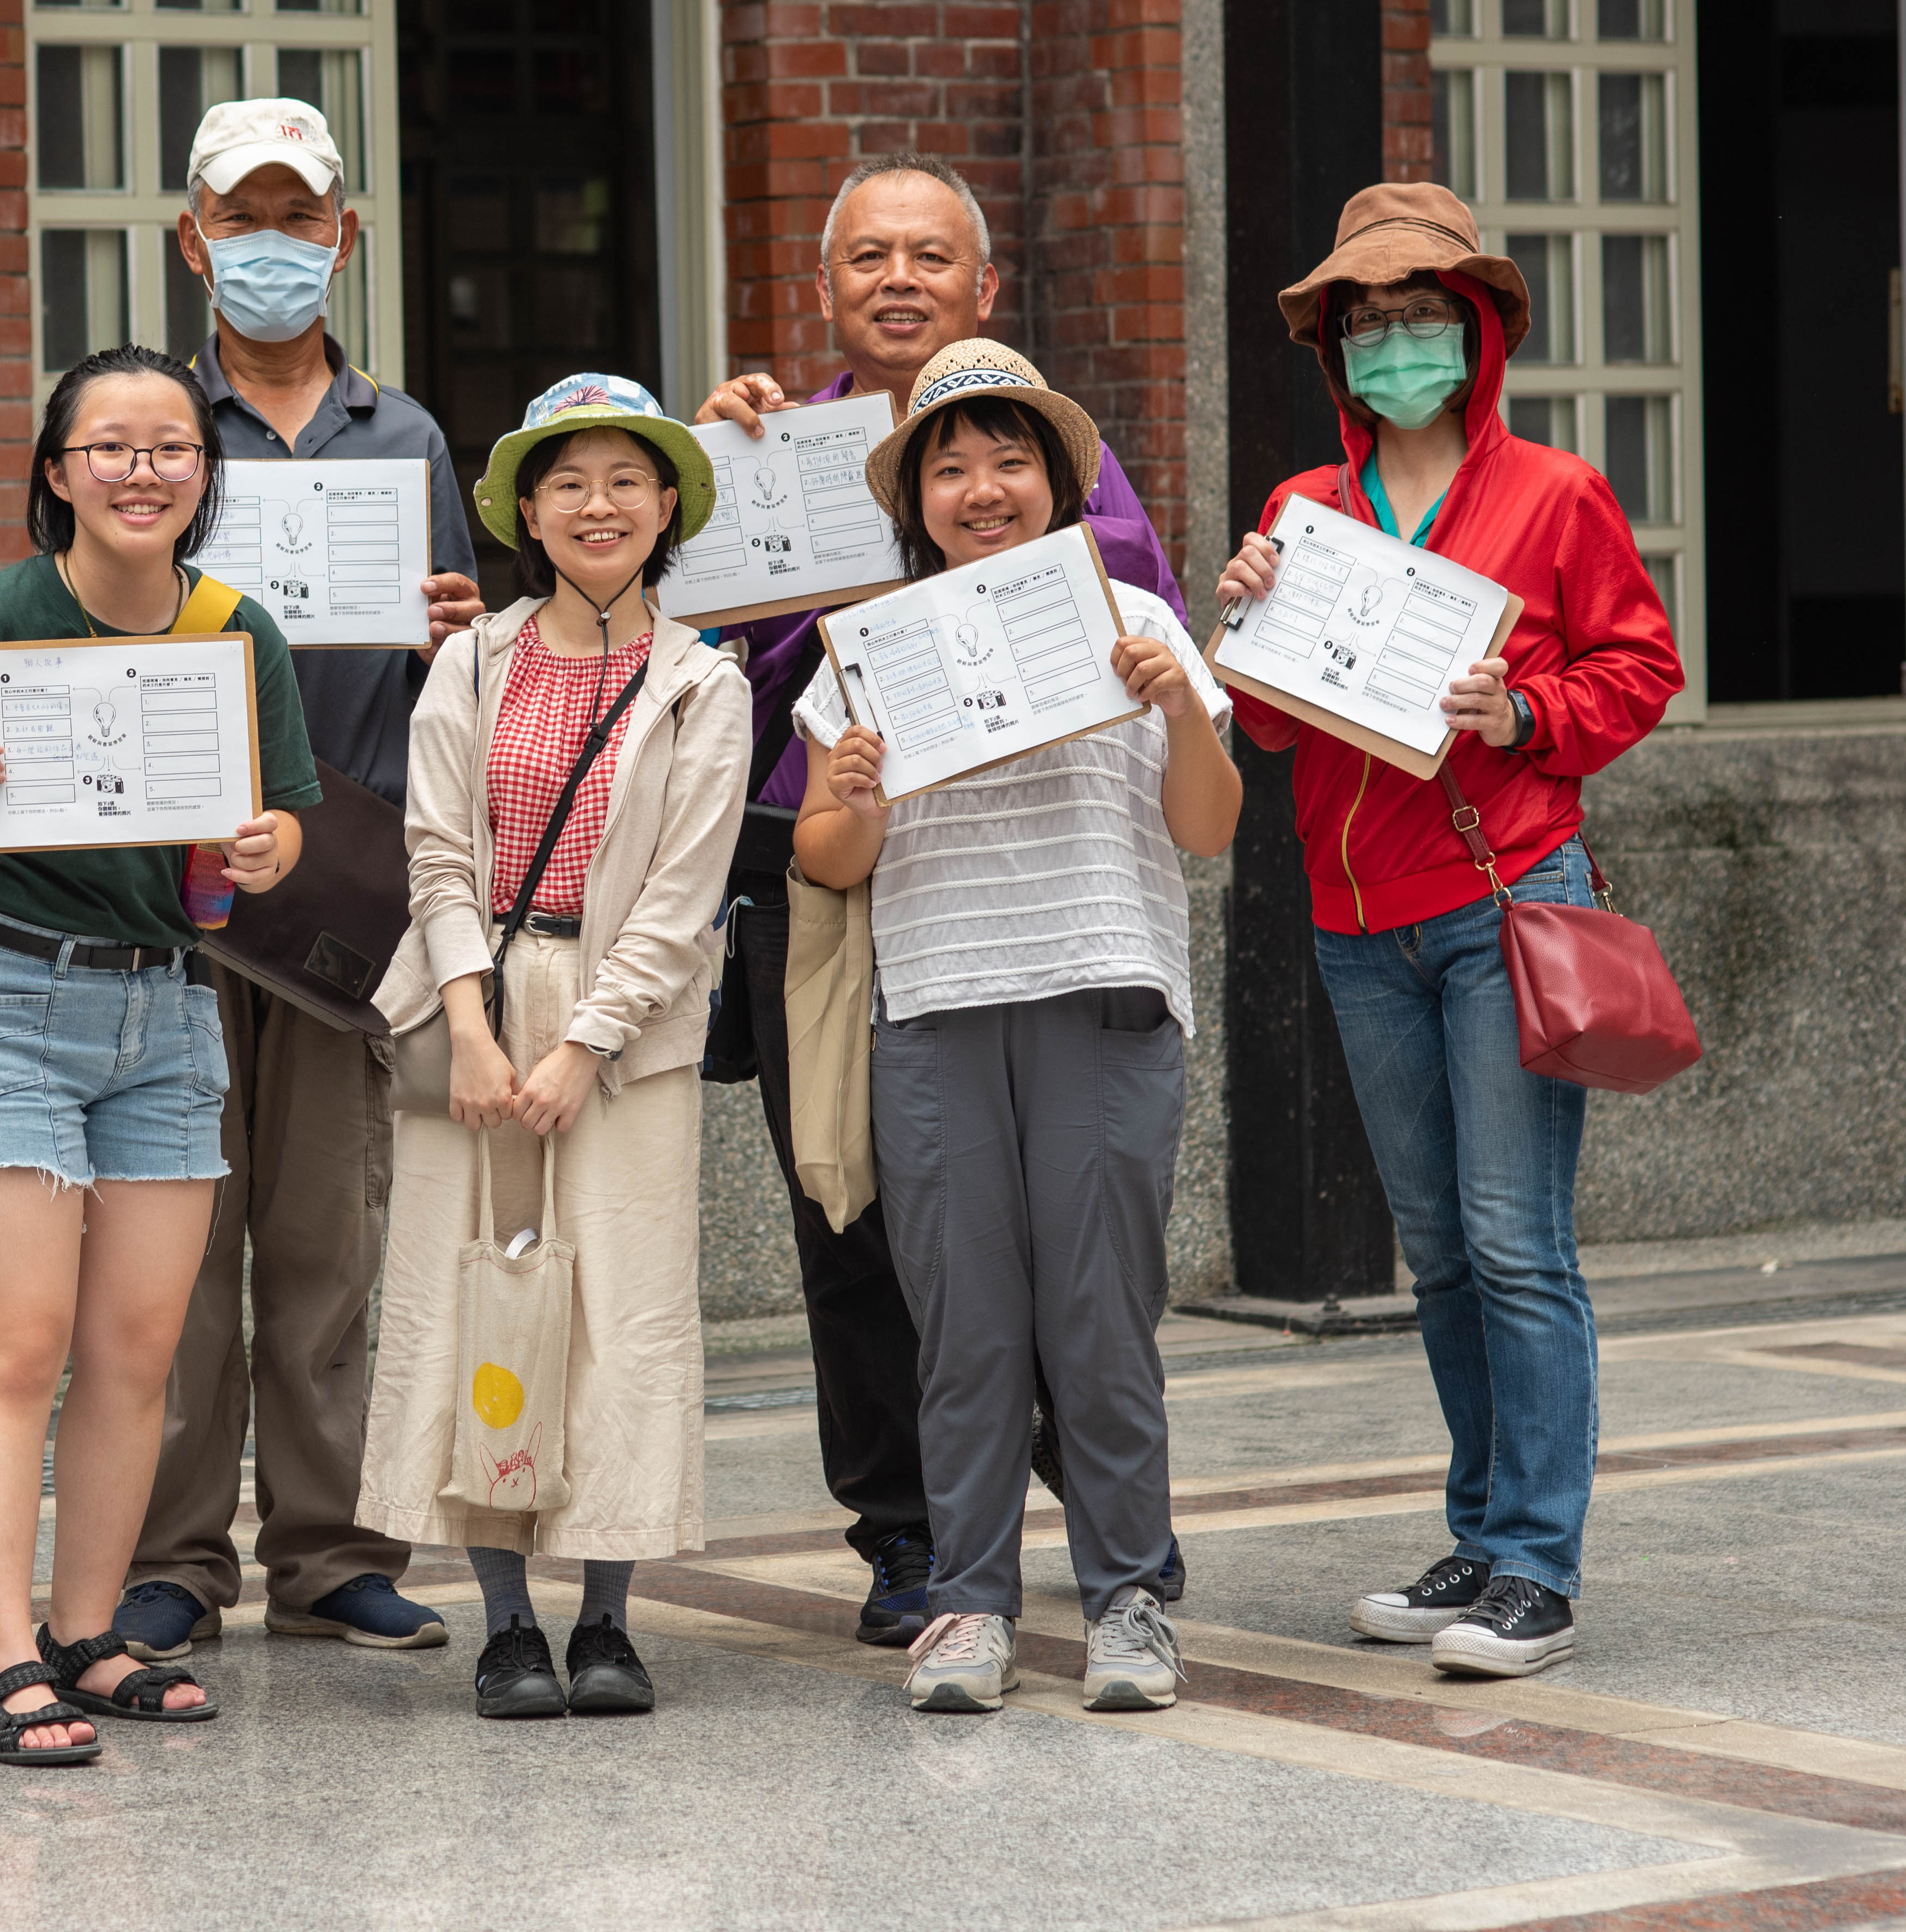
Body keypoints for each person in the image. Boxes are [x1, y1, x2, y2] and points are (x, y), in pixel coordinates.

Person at [687, 151, 1186, 1647]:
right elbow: (707, 666)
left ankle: (1102, 1524)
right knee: (849, 1211)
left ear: (985, 285)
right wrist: (711, 495)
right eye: (866, 259)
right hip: (822, 854)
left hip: (1024, 884)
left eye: (929, 255)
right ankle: (903, 1533)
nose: (897, 278)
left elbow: (1111, 611)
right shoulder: (778, 451)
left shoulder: (1050, 451)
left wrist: (921, 588)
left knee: (1057, 1246)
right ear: (823, 290)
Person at [1213, 183, 1683, 1679]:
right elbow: (1275, 738)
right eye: (1367, 326)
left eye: (1423, 318)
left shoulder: (1554, 494)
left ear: (1476, 334)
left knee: (1516, 1241)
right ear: (1336, 355)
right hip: (1359, 926)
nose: (1396, 345)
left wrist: (1531, 710)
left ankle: (1537, 1565)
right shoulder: (1304, 512)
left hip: (1506, 905)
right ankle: (1481, 1538)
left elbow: (1641, 666)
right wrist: (1252, 626)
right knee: (1440, 1252)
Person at [0, 343, 321, 1764]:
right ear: (58, 472)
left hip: (168, 1008)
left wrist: (262, 849)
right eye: (111, 447)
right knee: (19, 1345)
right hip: (1, 998)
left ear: (205, 475)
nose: (142, 471)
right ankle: (5, 1658)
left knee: (139, 1351)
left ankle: (91, 1634)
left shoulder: (240, 631)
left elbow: (287, 816)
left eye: (171, 448)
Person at [790, 341, 1238, 1715]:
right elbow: (827, 856)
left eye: (1008, 461)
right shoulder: (867, 653)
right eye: (950, 464)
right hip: (932, 1009)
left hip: (1101, 995)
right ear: (915, 494)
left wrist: (1174, 703)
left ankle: (1126, 1602)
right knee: (966, 1329)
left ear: (1055, 479)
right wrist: (852, 790)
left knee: (1099, 1318)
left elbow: (1207, 831)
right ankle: (969, 1604)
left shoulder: (1140, 628)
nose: (981, 488)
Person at [108, 98, 486, 1666]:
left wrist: (462, 632)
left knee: (333, 1239)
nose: (272, 245)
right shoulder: (134, 423)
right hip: (173, 896)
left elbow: (455, 682)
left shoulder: (405, 440)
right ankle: (171, 1559)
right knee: (172, 1253)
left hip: (345, 894)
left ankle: (334, 1552)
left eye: (300, 216)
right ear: (191, 238)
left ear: (347, 235)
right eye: (240, 217)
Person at [356, 374, 751, 1720]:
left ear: (667, 510)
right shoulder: (470, 659)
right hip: (469, 1012)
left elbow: (685, 893)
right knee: (475, 1303)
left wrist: (582, 1043)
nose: (598, 504)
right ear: (527, 508)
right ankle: (506, 1623)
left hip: (629, 1035)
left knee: (622, 1319)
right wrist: (470, 1026)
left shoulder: (704, 680)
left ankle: (606, 1620)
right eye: (568, 481)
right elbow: (434, 847)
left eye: (626, 481)